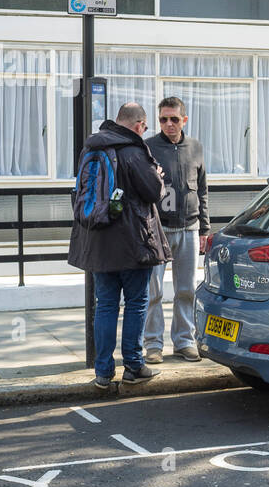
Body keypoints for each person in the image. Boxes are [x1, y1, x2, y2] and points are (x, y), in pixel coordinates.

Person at [68, 102, 172, 390]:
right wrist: (159, 178)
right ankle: (134, 366)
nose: (145, 130)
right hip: (132, 243)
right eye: (146, 125)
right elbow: (152, 192)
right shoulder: (133, 151)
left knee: (106, 306)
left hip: (98, 243)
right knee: (136, 304)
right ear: (138, 124)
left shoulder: (91, 148)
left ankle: (103, 372)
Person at [144, 96, 209, 363]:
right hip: (157, 230)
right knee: (153, 292)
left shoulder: (195, 147)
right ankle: (153, 345)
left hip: (190, 228)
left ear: (184, 119)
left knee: (187, 290)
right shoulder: (147, 147)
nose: (168, 124)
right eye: (162, 119)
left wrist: (205, 229)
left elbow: (203, 189)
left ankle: (184, 341)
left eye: (173, 119)